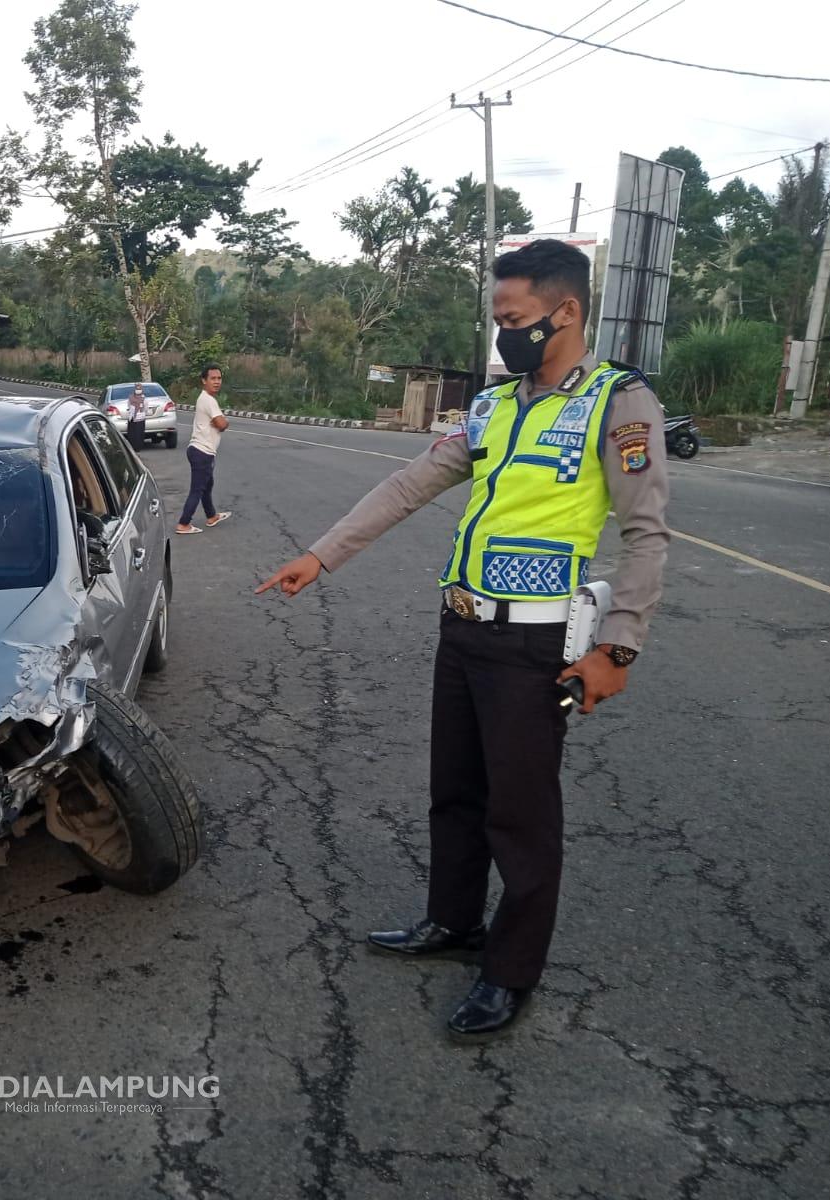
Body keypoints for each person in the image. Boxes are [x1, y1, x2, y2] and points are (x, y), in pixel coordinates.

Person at [255, 239, 670, 1042]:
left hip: (536, 645)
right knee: (456, 794)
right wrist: (320, 554)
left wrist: (618, 647)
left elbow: (647, 534)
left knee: (520, 816)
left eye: (513, 319)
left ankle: (510, 972)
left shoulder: (619, 404)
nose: (504, 333)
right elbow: (410, 483)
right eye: (498, 320)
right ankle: (452, 923)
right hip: (465, 628)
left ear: (566, 311)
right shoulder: (494, 406)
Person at [176, 365, 232, 534]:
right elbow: (221, 424)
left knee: (207, 485)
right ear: (204, 381)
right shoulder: (208, 400)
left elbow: (218, 422)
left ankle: (211, 515)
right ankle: (183, 523)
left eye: (219, 378)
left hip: (199, 450)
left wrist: (220, 421)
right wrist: (224, 421)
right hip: (202, 452)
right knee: (197, 489)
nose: (216, 382)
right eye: (213, 378)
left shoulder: (205, 399)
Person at [126, 383, 148, 451]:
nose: (138, 390)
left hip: (140, 418)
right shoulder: (130, 397)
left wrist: (141, 413)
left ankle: (138, 447)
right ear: (134, 389)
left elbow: (145, 408)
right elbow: (129, 406)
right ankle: (132, 447)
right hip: (132, 418)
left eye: (139, 389)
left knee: (139, 433)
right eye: (137, 389)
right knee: (132, 433)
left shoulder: (144, 398)